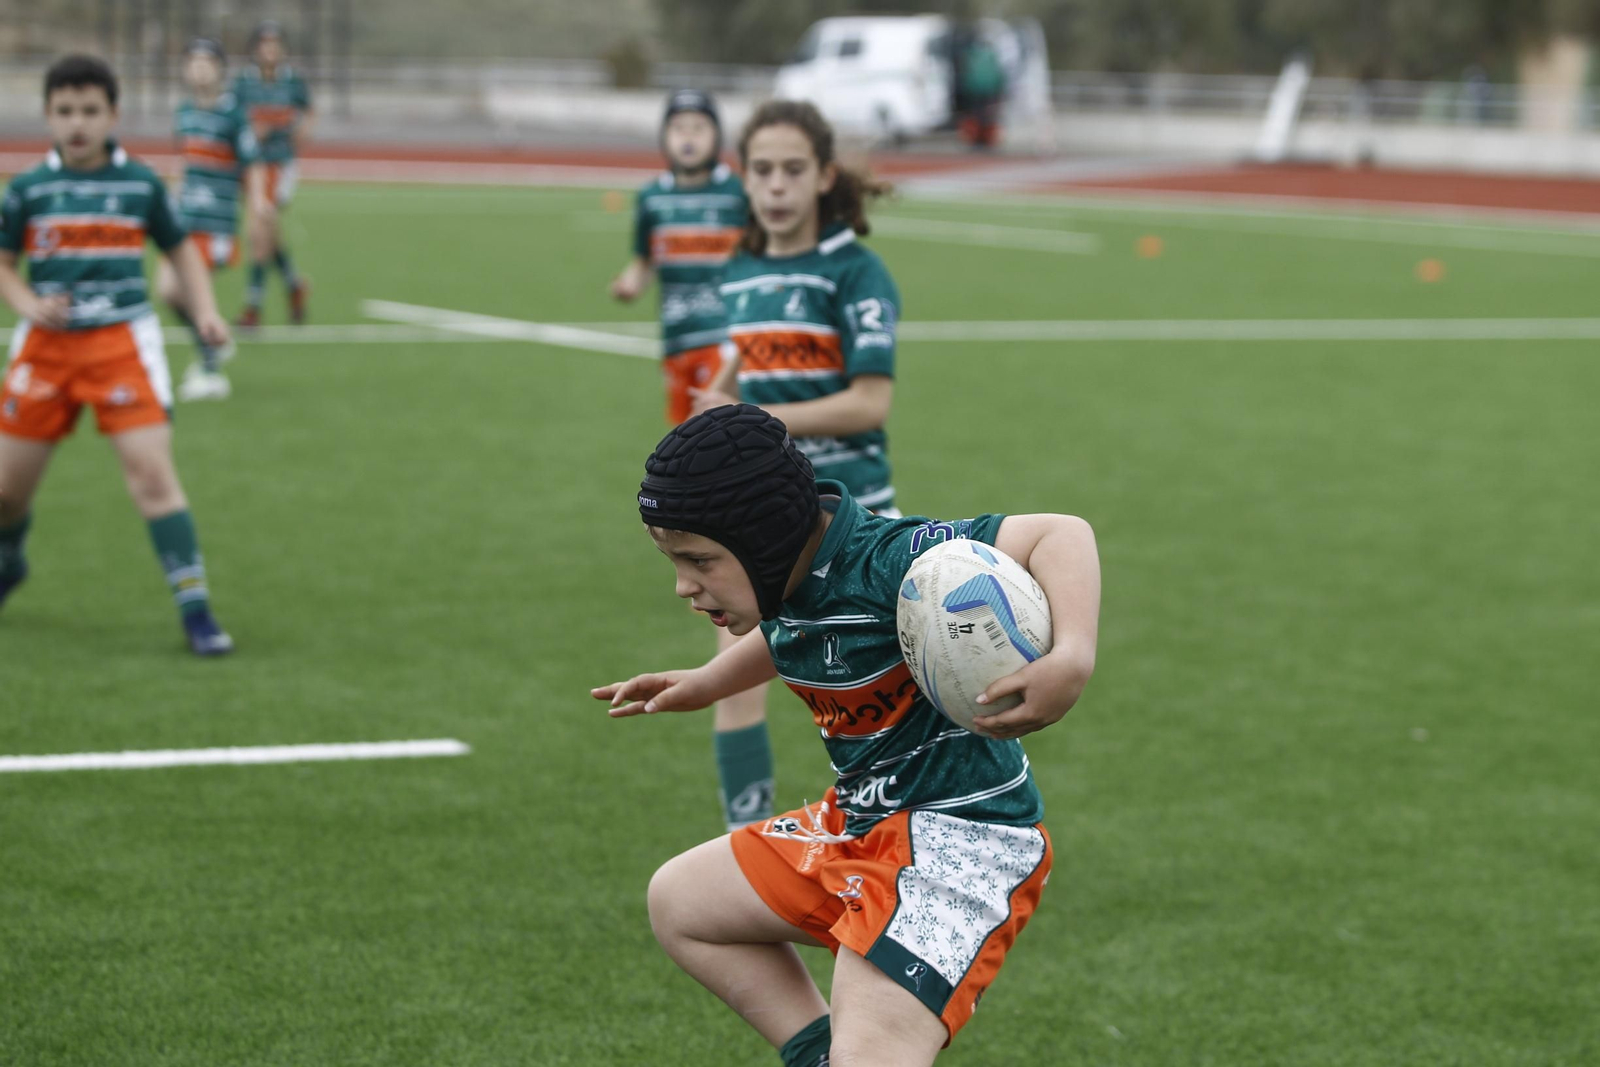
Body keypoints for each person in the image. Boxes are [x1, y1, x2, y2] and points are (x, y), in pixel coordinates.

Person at [593, 404, 1101, 1065]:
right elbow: (796, 635)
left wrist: (1073, 656)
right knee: (681, 902)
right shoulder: (790, 580)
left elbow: (1062, 533)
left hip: (957, 846)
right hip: (861, 826)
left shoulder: (890, 561)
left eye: (701, 560)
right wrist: (706, 681)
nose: (685, 585)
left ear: (766, 538)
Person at [687, 99, 901, 833]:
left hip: (852, 522)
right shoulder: (741, 267)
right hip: (759, 529)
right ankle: (743, 848)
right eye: (762, 171)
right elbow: (748, 360)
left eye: (792, 170)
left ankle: (889, 834)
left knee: (864, 700)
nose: (775, 185)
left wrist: (756, 422)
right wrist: (722, 395)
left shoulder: (855, 271)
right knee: (735, 689)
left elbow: (869, 402)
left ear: (823, 178)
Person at [0, 55, 234, 655]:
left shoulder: (142, 184)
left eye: (90, 111)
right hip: (46, 353)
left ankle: (197, 611)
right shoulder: (25, 189)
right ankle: (10, 560)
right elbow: (3, 265)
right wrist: (26, 301)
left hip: (121, 346)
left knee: (153, 478)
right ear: (49, 116)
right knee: (5, 495)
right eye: (65, 111)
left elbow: (180, 249)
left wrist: (204, 310)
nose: (77, 124)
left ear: (113, 115)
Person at [610, 89, 747, 426]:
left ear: (716, 137)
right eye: (679, 128)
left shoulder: (737, 193)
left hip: (723, 338)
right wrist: (630, 283)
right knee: (684, 443)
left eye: (699, 128)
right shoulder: (652, 197)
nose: (689, 137)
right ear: (664, 137)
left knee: (721, 434)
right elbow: (645, 259)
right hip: (676, 338)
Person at [161, 36, 266, 401]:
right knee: (167, 291)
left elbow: (251, 165)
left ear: (220, 69)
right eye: (193, 61)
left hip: (216, 218)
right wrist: (170, 198)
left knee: (191, 291)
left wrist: (258, 205)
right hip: (183, 217)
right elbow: (185, 162)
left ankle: (211, 371)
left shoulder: (234, 114)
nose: (199, 68)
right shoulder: (185, 111)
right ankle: (213, 345)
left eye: (207, 62)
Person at [231, 20, 312, 329]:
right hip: (252, 167)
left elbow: (308, 113)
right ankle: (294, 285)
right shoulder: (243, 83)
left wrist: (300, 132)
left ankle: (253, 307)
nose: (270, 50)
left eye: (275, 44)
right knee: (267, 235)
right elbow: (234, 118)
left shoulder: (292, 81)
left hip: (279, 165)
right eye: (265, 44)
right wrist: (251, 131)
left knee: (257, 232)